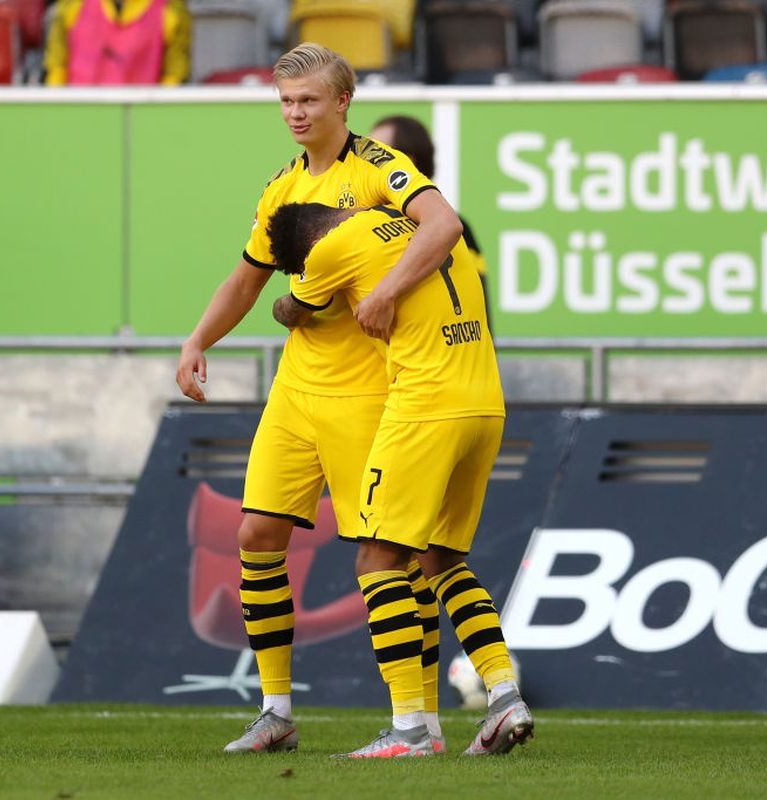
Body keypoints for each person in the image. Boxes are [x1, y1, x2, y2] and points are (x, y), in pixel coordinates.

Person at [174, 43, 464, 754]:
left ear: (343, 101)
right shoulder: (282, 187)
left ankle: (416, 721)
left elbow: (444, 225)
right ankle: (275, 711)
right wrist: (196, 342)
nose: (296, 113)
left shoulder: (378, 169)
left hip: (370, 389)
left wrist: (390, 290)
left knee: (390, 553)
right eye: (286, 102)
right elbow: (246, 280)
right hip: (297, 391)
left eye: (308, 100)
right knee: (255, 538)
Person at [265, 201, 534, 758]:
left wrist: (291, 292)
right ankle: (504, 694)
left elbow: (293, 311)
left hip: (424, 409)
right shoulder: (426, 226)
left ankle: (410, 729)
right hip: (485, 402)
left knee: (377, 560)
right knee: (440, 560)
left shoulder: (330, 251)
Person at [369, 114, 492, 331]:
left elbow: (476, 310)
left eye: (376, 153)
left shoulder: (451, 226)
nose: (362, 161)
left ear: (404, 163)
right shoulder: (357, 222)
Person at [44, 0, 190, 86]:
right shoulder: (71, 5)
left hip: (143, 122)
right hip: (78, 117)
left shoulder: (171, 10)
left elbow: (174, 77)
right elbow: (56, 68)